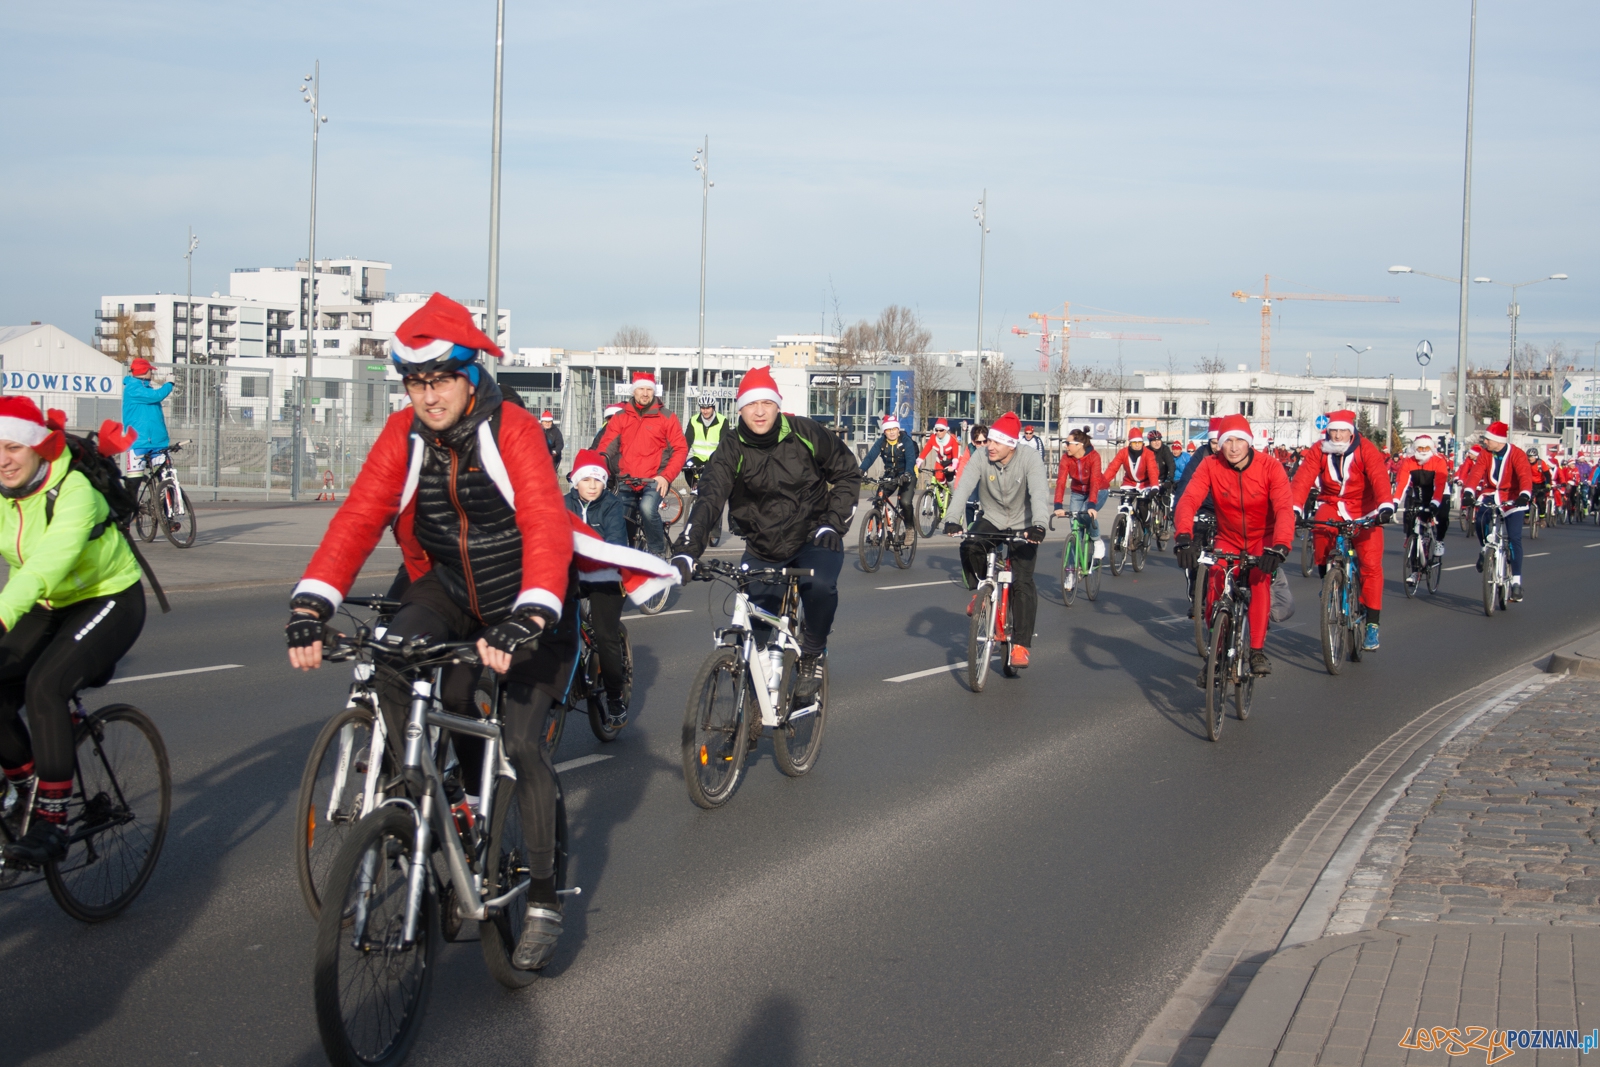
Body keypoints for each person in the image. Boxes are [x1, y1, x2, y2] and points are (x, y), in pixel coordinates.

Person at [285, 292, 575, 971]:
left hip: (525, 600)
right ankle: (440, 803)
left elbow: (543, 520)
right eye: (415, 382)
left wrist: (531, 612)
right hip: (448, 587)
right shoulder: (403, 434)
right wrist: (312, 601)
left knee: (524, 744)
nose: (427, 395)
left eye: (439, 379)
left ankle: (541, 897)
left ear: (468, 374)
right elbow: (359, 516)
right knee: (391, 657)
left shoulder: (513, 429)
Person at [0, 399, 147, 865]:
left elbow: (42, 568)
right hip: (48, 604)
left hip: (108, 599)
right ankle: (27, 787)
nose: (3, 458)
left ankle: (52, 818)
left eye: (12, 447)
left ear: (40, 448)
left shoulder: (74, 491)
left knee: (45, 685)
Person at [670, 366, 860, 705]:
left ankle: (813, 655)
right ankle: (751, 711)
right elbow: (710, 497)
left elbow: (847, 472)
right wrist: (688, 548)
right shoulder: (730, 448)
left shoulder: (805, 431)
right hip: (762, 545)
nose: (759, 411)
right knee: (751, 633)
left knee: (819, 587)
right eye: (751, 404)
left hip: (814, 537)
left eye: (766, 403)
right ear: (739, 409)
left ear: (778, 405)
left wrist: (833, 522)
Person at [1173, 414, 1294, 684]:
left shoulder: (1270, 467)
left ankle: (1257, 651)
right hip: (1228, 538)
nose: (1234, 447)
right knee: (1215, 584)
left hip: (1262, 539)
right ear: (1220, 443)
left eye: (1241, 440)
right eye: (1228, 440)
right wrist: (1183, 535)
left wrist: (1280, 546)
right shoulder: (1209, 465)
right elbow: (1189, 498)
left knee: (1258, 583)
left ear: (1250, 443)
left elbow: (1285, 508)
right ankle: (1214, 656)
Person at [944, 412, 1049, 670]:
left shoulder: (1029, 458)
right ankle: (983, 588)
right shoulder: (981, 456)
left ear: (1012, 444)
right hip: (992, 517)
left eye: (997, 442)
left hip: (1024, 522)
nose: (989, 446)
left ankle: (1022, 644)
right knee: (969, 546)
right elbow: (964, 486)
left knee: (1022, 582)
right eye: (989, 440)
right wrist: (952, 518)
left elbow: (1038, 492)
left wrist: (1039, 525)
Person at [1289, 409, 1395, 651]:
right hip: (1333, 504)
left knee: (1370, 564)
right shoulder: (1319, 449)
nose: (1337, 435)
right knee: (1320, 529)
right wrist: (1294, 507)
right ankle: (1328, 580)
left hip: (1364, 509)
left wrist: (1385, 507)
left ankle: (1372, 627)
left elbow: (1379, 477)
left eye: (1342, 430)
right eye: (1333, 430)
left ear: (1351, 431)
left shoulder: (1366, 448)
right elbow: (1304, 478)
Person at [564, 449, 631, 728]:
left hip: (606, 575)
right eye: (586, 479)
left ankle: (615, 697)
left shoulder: (612, 505)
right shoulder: (562, 503)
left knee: (606, 636)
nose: (592, 485)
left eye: (597, 480)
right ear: (575, 481)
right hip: (572, 575)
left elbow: (616, 542)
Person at [597, 371, 688, 557]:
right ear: (634, 391)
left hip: (655, 479)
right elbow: (606, 447)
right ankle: (623, 557)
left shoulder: (667, 417)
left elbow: (680, 449)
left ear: (654, 392)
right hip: (626, 478)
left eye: (649, 389)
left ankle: (657, 550)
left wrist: (666, 476)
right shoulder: (621, 417)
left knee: (647, 509)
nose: (645, 393)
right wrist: (597, 469)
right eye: (641, 389)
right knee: (618, 516)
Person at [1459, 421, 1533, 602]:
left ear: (1497, 440)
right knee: (1481, 519)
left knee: (1514, 537)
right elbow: (1476, 473)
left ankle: (1516, 582)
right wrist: (1469, 492)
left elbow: (1524, 475)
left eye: (1487, 439)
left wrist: (1524, 494)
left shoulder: (1517, 454)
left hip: (1514, 498)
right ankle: (1485, 549)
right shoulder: (1485, 454)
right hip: (1491, 494)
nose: (1484, 442)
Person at [1051, 428, 1106, 558]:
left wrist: (1092, 504)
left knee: (1086, 514)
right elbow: (1061, 481)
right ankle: (1072, 570)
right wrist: (1058, 505)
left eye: (1068, 443)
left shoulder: (1094, 456)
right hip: (1077, 492)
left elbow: (1095, 481)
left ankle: (1097, 540)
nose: (1066, 446)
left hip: (1099, 490)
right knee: (1075, 527)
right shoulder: (1066, 458)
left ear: (1079, 445)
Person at [1394, 433, 1451, 550]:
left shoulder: (1439, 461)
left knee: (1443, 517)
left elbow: (1439, 485)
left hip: (1440, 492)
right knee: (1412, 513)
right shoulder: (1409, 461)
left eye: (1427, 448)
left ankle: (1439, 541)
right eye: (1420, 448)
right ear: (1415, 448)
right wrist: (1395, 502)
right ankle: (1412, 537)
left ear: (1431, 448)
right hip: (1421, 491)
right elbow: (1402, 483)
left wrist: (1435, 503)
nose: (1423, 451)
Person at [120, 357, 173, 479]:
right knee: (135, 481)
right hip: (138, 443)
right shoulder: (132, 389)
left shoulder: (146, 388)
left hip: (158, 442)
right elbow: (157, 396)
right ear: (144, 371)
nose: (152, 372)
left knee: (166, 477)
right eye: (150, 370)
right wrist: (170, 384)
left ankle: (164, 495)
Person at [859, 414, 915, 526]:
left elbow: (910, 459)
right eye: (888, 429)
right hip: (891, 474)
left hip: (907, 474)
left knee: (905, 502)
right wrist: (860, 470)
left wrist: (907, 473)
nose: (892, 432)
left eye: (894, 429)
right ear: (884, 431)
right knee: (878, 500)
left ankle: (909, 529)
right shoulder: (881, 442)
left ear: (898, 429)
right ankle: (879, 533)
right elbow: (870, 457)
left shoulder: (906, 441)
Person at [682, 400, 727, 489]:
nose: (705, 411)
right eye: (703, 408)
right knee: (687, 466)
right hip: (699, 457)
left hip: (715, 458)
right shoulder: (694, 420)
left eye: (708, 408)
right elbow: (687, 442)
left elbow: (724, 444)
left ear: (713, 408)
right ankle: (695, 487)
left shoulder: (722, 421)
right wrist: (681, 458)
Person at [918, 417, 963, 487]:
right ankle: (940, 496)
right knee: (938, 478)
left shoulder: (952, 439)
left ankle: (954, 495)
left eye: (941, 430)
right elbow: (925, 451)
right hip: (941, 461)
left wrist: (953, 467)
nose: (938, 432)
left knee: (952, 481)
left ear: (945, 430)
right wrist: (918, 463)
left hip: (953, 461)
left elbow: (955, 456)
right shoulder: (933, 438)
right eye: (936, 430)